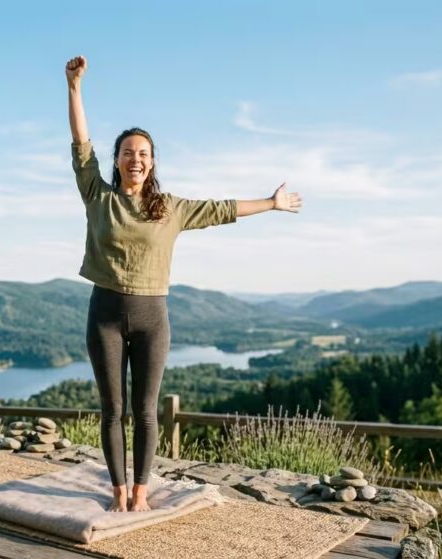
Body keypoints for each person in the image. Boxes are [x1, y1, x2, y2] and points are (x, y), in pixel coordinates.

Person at [65, 54, 302, 513]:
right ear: (116, 161)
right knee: (112, 410)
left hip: (154, 318)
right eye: (128, 152)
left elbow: (221, 209)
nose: (136, 159)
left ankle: (141, 491)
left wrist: (271, 204)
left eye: (144, 154)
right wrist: (74, 88)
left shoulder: (171, 208)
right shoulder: (98, 196)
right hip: (105, 317)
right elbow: (80, 143)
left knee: (146, 411)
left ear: (152, 164)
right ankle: (118, 493)